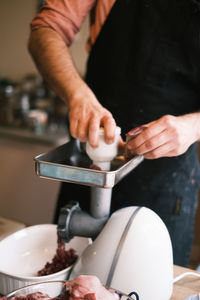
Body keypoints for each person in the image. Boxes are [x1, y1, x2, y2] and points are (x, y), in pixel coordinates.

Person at [28, 0, 200, 267]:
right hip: (87, 172)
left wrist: (192, 126)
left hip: (166, 183)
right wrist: (78, 94)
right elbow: (46, 28)